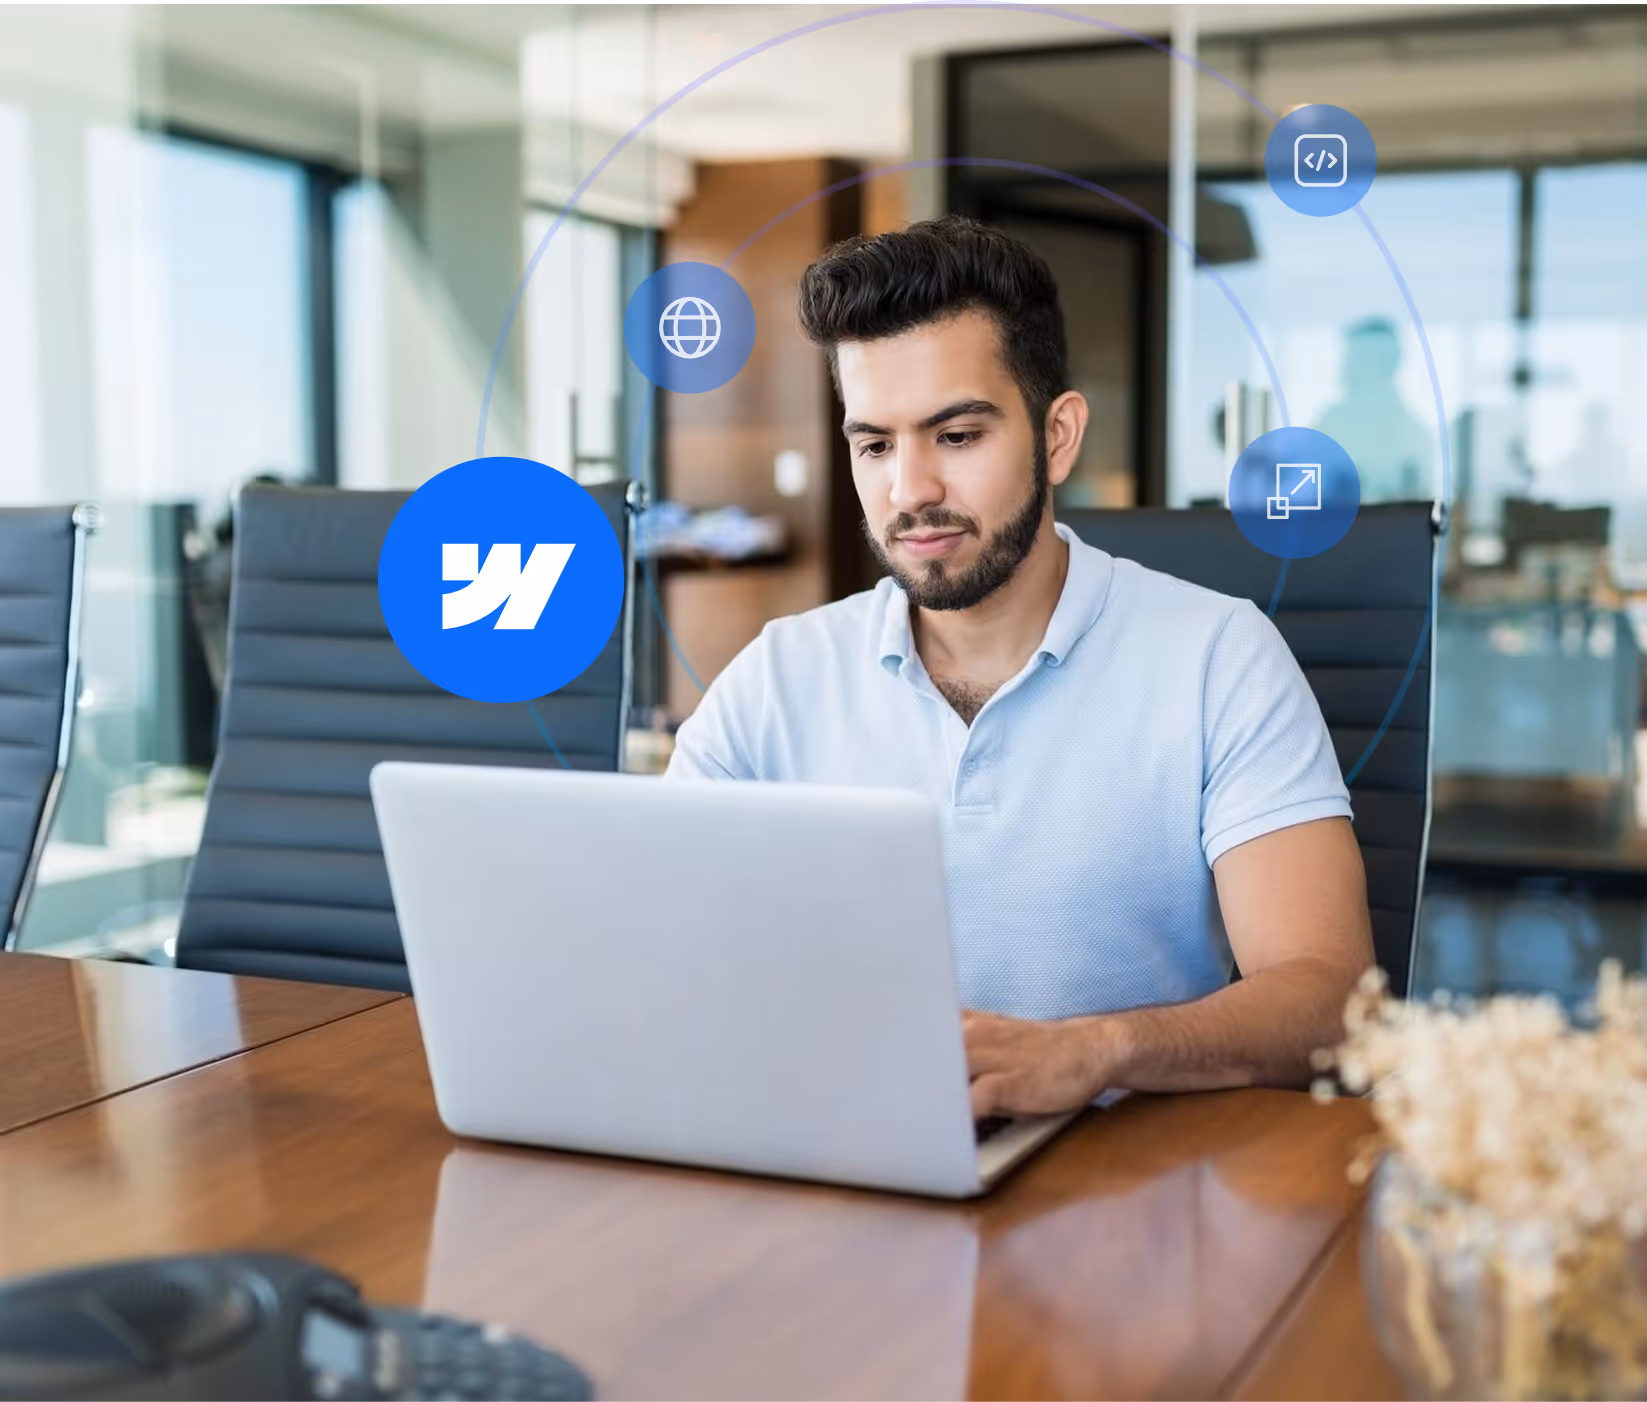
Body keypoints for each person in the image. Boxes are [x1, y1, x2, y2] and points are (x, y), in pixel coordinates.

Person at [664, 215, 1373, 1118]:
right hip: (836, 1158)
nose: (908, 491)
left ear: (1058, 434)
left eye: (956, 436)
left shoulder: (1217, 658)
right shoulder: (779, 675)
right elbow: (658, 949)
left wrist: (1092, 1052)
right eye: (874, 445)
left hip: (1122, 1196)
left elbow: (1332, 1003)